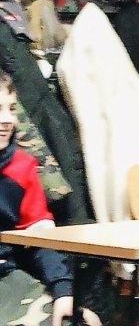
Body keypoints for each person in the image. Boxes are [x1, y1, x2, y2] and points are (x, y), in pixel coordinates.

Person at [0, 71, 101, 326]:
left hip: (6, 278)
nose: (7, 119)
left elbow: (40, 240)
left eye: (11, 109)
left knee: (74, 321)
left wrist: (63, 290)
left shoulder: (22, 168)